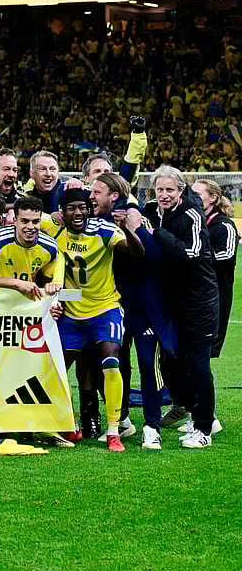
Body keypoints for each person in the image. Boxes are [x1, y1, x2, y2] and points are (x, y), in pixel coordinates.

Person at [51, 188, 144, 451]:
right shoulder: (55, 234)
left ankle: (114, 430)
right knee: (56, 370)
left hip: (105, 309)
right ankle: (68, 423)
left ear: (89, 209)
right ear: (62, 212)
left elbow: (137, 252)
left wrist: (126, 228)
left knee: (111, 361)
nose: (78, 213)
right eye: (71, 208)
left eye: (83, 207)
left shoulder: (104, 231)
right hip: (70, 315)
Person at [91, 172, 174, 449]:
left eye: (97, 192)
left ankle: (152, 426)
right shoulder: (95, 223)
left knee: (149, 367)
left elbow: (154, 257)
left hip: (145, 307)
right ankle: (122, 420)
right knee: (115, 365)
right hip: (113, 305)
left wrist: (132, 227)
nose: (92, 197)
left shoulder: (137, 219)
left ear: (114, 196)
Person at [145, 166, 221, 448]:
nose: (163, 195)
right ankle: (199, 411)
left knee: (199, 366)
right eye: (159, 190)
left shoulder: (191, 213)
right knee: (170, 363)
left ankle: (203, 430)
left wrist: (157, 234)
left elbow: (190, 254)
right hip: (172, 302)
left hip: (199, 301)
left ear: (180, 190)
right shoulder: (152, 210)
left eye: (169, 190)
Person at [0, 195, 62, 301]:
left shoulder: (50, 246)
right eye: (25, 221)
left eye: (35, 221)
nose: (31, 227)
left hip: (25, 302)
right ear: (15, 220)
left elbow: (48, 286)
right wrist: (15, 283)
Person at [192, 179, 237, 358]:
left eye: (197, 194)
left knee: (203, 353)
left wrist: (197, 255)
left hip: (214, 298)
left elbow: (226, 256)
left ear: (213, 198)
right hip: (190, 296)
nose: (191, 198)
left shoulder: (224, 226)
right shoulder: (190, 221)